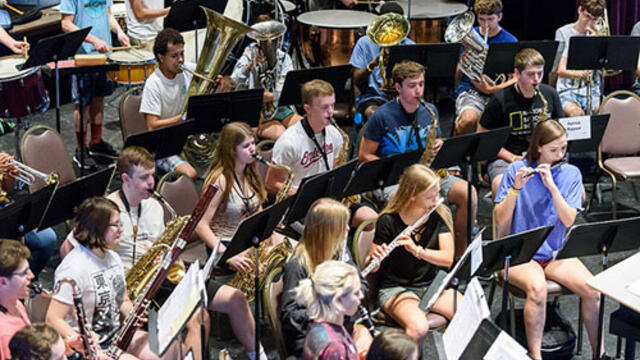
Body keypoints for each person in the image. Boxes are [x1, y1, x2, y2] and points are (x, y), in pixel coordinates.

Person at [58, 146, 208, 360]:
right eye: (144, 177)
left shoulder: (155, 207)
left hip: (146, 287)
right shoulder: (106, 211)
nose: (151, 183)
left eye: (153, 176)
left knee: (198, 319)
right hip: (117, 294)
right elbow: (68, 249)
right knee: (165, 347)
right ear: (126, 179)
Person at [493, 120, 607, 360]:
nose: (560, 154)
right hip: (521, 254)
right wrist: (515, 189)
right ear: (538, 148)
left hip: (555, 252)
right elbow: (501, 222)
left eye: (564, 149)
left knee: (593, 290)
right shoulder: (516, 170)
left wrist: (553, 187)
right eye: (554, 150)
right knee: (537, 288)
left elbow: (568, 220)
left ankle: (600, 353)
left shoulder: (570, 174)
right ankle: (537, 357)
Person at [359, 60, 477, 257]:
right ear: (398, 87)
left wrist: (439, 146)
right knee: (413, 202)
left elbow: (435, 139)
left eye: (421, 84)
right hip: (396, 179)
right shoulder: (381, 116)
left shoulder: (430, 110)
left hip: (427, 172)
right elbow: (364, 155)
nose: (418, 91)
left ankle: (458, 255)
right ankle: (407, 261)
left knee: (469, 193)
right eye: (412, 86)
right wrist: (389, 167)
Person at [46, 197, 182, 360]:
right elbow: (53, 318)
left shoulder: (113, 258)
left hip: (115, 336)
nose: (121, 229)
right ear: (98, 227)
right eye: (116, 225)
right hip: (87, 347)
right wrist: (87, 345)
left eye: (121, 224)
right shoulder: (73, 268)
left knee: (172, 348)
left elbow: (123, 300)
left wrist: (133, 315)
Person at [193, 122, 270, 360]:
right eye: (246, 146)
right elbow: (200, 225)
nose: (252, 149)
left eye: (253, 143)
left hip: (246, 238)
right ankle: (257, 351)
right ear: (231, 149)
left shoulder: (249, 171)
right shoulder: (219, 181)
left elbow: (256, 210)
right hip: (224, 244)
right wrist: (226, 253)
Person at [265, 79, 377, 230]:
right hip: (299, 207)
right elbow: (271, 183)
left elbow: (335, 169)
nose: (331, 112)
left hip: (327, 199)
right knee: (334, 226)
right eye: (325, 107)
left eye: (332, 105)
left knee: (370, 218)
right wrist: (304, 195)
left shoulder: (335, 134)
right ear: (308, 108)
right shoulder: (289, 142)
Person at [366, 164, 460, 341]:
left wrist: (417, 250)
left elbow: (447, 259)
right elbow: (372, 266)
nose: (436, 200)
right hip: (395, 288)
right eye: (430, 197)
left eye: (437, 194)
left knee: (468, 313)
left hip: (432, 285)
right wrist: (375, 260)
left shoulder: (438, 215)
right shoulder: (388, 221)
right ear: (412, 196)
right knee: (419, 327)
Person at [281, 198, 372, 358]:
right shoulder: (298, 264)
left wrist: (349, 297)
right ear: (327, 231)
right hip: (312, 337)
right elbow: (289, 316)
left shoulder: (338, 251)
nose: (348, 228)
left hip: (341, 325)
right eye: (342, 225)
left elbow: (361, 284)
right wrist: (327, 308)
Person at [478, 48, 563, 198]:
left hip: (544, 156)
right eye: (530, 74)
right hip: (507, 159)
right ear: (517, 74)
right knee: (499, 186)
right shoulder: (500, 99)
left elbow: (560, 131)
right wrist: (513, 158)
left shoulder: (550, 94)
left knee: (578, 193)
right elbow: (483, 137)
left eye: (540, 73)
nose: (536, 79)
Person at [60, 0, 127, 169]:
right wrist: (93, 40)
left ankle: (96, 143)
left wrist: (119, 32)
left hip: (104, 54)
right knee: (83, 105)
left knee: (99, 98)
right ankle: (80, 149)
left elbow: (108, 15)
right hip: (83, 56)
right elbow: (66, 24)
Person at [230, 15, 302, 140]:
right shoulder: (250, 52)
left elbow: (285, 90)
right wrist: (248, 67)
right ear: (257, 40)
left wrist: (270, 96)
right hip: (256, 112)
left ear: (279, 39)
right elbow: (234, 81)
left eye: (274, 39)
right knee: (283, 135)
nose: (269, 43)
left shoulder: (284, 58)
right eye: (264, 40)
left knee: (303, 128)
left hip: (279, 108)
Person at [139, 28, 197, 179]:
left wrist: (222, 81)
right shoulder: (154, 84)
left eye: (182, 53)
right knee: (189, 174)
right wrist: (181, 118)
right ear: (161, 57)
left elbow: (211, 76)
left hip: (183, 137)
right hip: (162, 146)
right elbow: (152, 126)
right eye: (174, 56)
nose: (181, 60)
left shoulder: (186, 70)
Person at [453, 0, 518, 135]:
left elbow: (516, 78)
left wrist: (491, 89)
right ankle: (459, 153)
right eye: (481, 19)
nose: (486, 24)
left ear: (499, 17)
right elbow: (457, 76)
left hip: (499, 93)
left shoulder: (510, 41)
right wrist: (462, 63)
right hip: (471, 91)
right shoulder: (469, 36)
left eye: (490, 19)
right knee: (467, 120)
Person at [349, 2, 415, 122]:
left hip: (404, 96)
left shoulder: (410, 45)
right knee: (375, 114)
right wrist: (374, 64)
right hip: (373, 96)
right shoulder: (364, 43)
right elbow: (356, 79)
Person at [0, 154, 56, 278]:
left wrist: (9, 176)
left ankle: (25, 281)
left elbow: (6, 189)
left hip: (5, 211)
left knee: (47, 238)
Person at [294, 260, 363, 360]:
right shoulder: (335, 349)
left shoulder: (320, 325)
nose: (362, 295)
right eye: (356, 293)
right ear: (338, 301)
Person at [554, 0, 605, 117]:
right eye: (587, 16)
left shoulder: (597, 35)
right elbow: (560, 71)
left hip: (593, 92)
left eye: (594, 19)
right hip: (568, 91)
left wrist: (594, 44)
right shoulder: (564, 32)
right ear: (579, 10)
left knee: (607, 111)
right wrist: (581, 75)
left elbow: (604, 70)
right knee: (577, 114)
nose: (590, 22)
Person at [0, 240, 34, 360]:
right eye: (24, 273)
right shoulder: (4, 334)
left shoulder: (15, 302)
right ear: (3, 282)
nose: (32, 275)